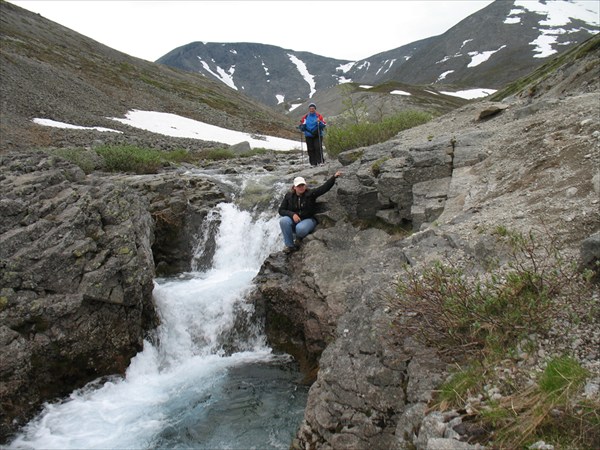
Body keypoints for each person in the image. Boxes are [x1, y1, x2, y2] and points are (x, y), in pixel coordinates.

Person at [278, 171, 342, 253]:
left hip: (308, 220)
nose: (301, 187)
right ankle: (290, 246)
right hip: (295, 220)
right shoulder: (289, 196)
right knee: (283, 221)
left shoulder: (311, 194)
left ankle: (298, 239)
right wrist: (292, 214)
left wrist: (334, 177)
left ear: (305, 185)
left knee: (300, 229)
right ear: (294, 187)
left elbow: (323, 188)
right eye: (299, 186)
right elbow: (281, 210)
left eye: (302, 185)